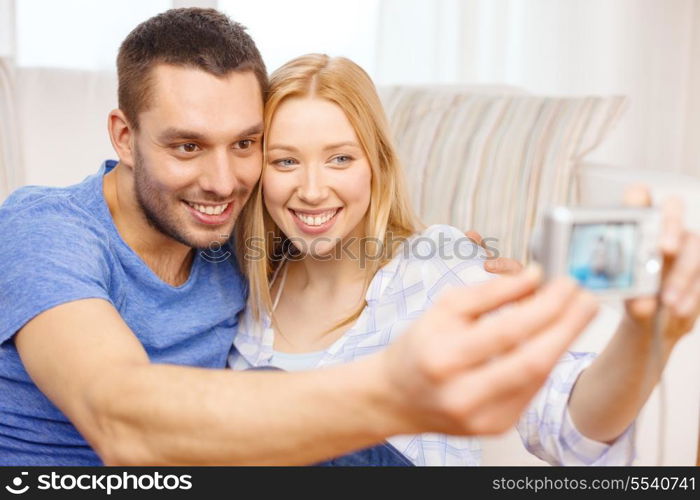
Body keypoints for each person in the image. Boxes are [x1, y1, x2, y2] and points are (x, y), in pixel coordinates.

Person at [229, 53, 700, 466]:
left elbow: (569, 432)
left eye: (340, 159)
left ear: (378, 165)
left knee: (272, 403)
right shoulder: (242, 291)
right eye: (285, 161)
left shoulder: (440, 267)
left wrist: (645, 337)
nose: (311, 190)